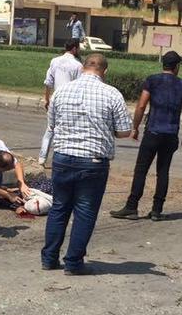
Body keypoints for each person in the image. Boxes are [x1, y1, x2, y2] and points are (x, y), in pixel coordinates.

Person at [41, 53, 132, 275]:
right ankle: (73, 263)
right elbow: (124, 131)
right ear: (105, 71)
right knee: (85, 212)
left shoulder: (61, 92)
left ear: (83, 68)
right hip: (93, 161)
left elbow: (52, 124)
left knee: (59, 208)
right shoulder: (112, 94)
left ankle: (49, 258)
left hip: (62, 157)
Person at [110, 50, 182, 221]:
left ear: (163, 64)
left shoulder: (152, 80)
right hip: (170, 134)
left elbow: (141, 106)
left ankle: (132, 207)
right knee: (163, 172)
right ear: (176, 66)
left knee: (141, 169)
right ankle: (157, 210)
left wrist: (135, 128)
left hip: (153, 132)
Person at [40, 39, 83, 165]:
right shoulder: (78, 65)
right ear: (75, 49)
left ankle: (42, 158)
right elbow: (79, 86)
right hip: (70, 101)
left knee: (50, 129)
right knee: (68, 130)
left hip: (55, 98)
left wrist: (47, 99)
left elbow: (48, 82)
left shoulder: (54, 61)